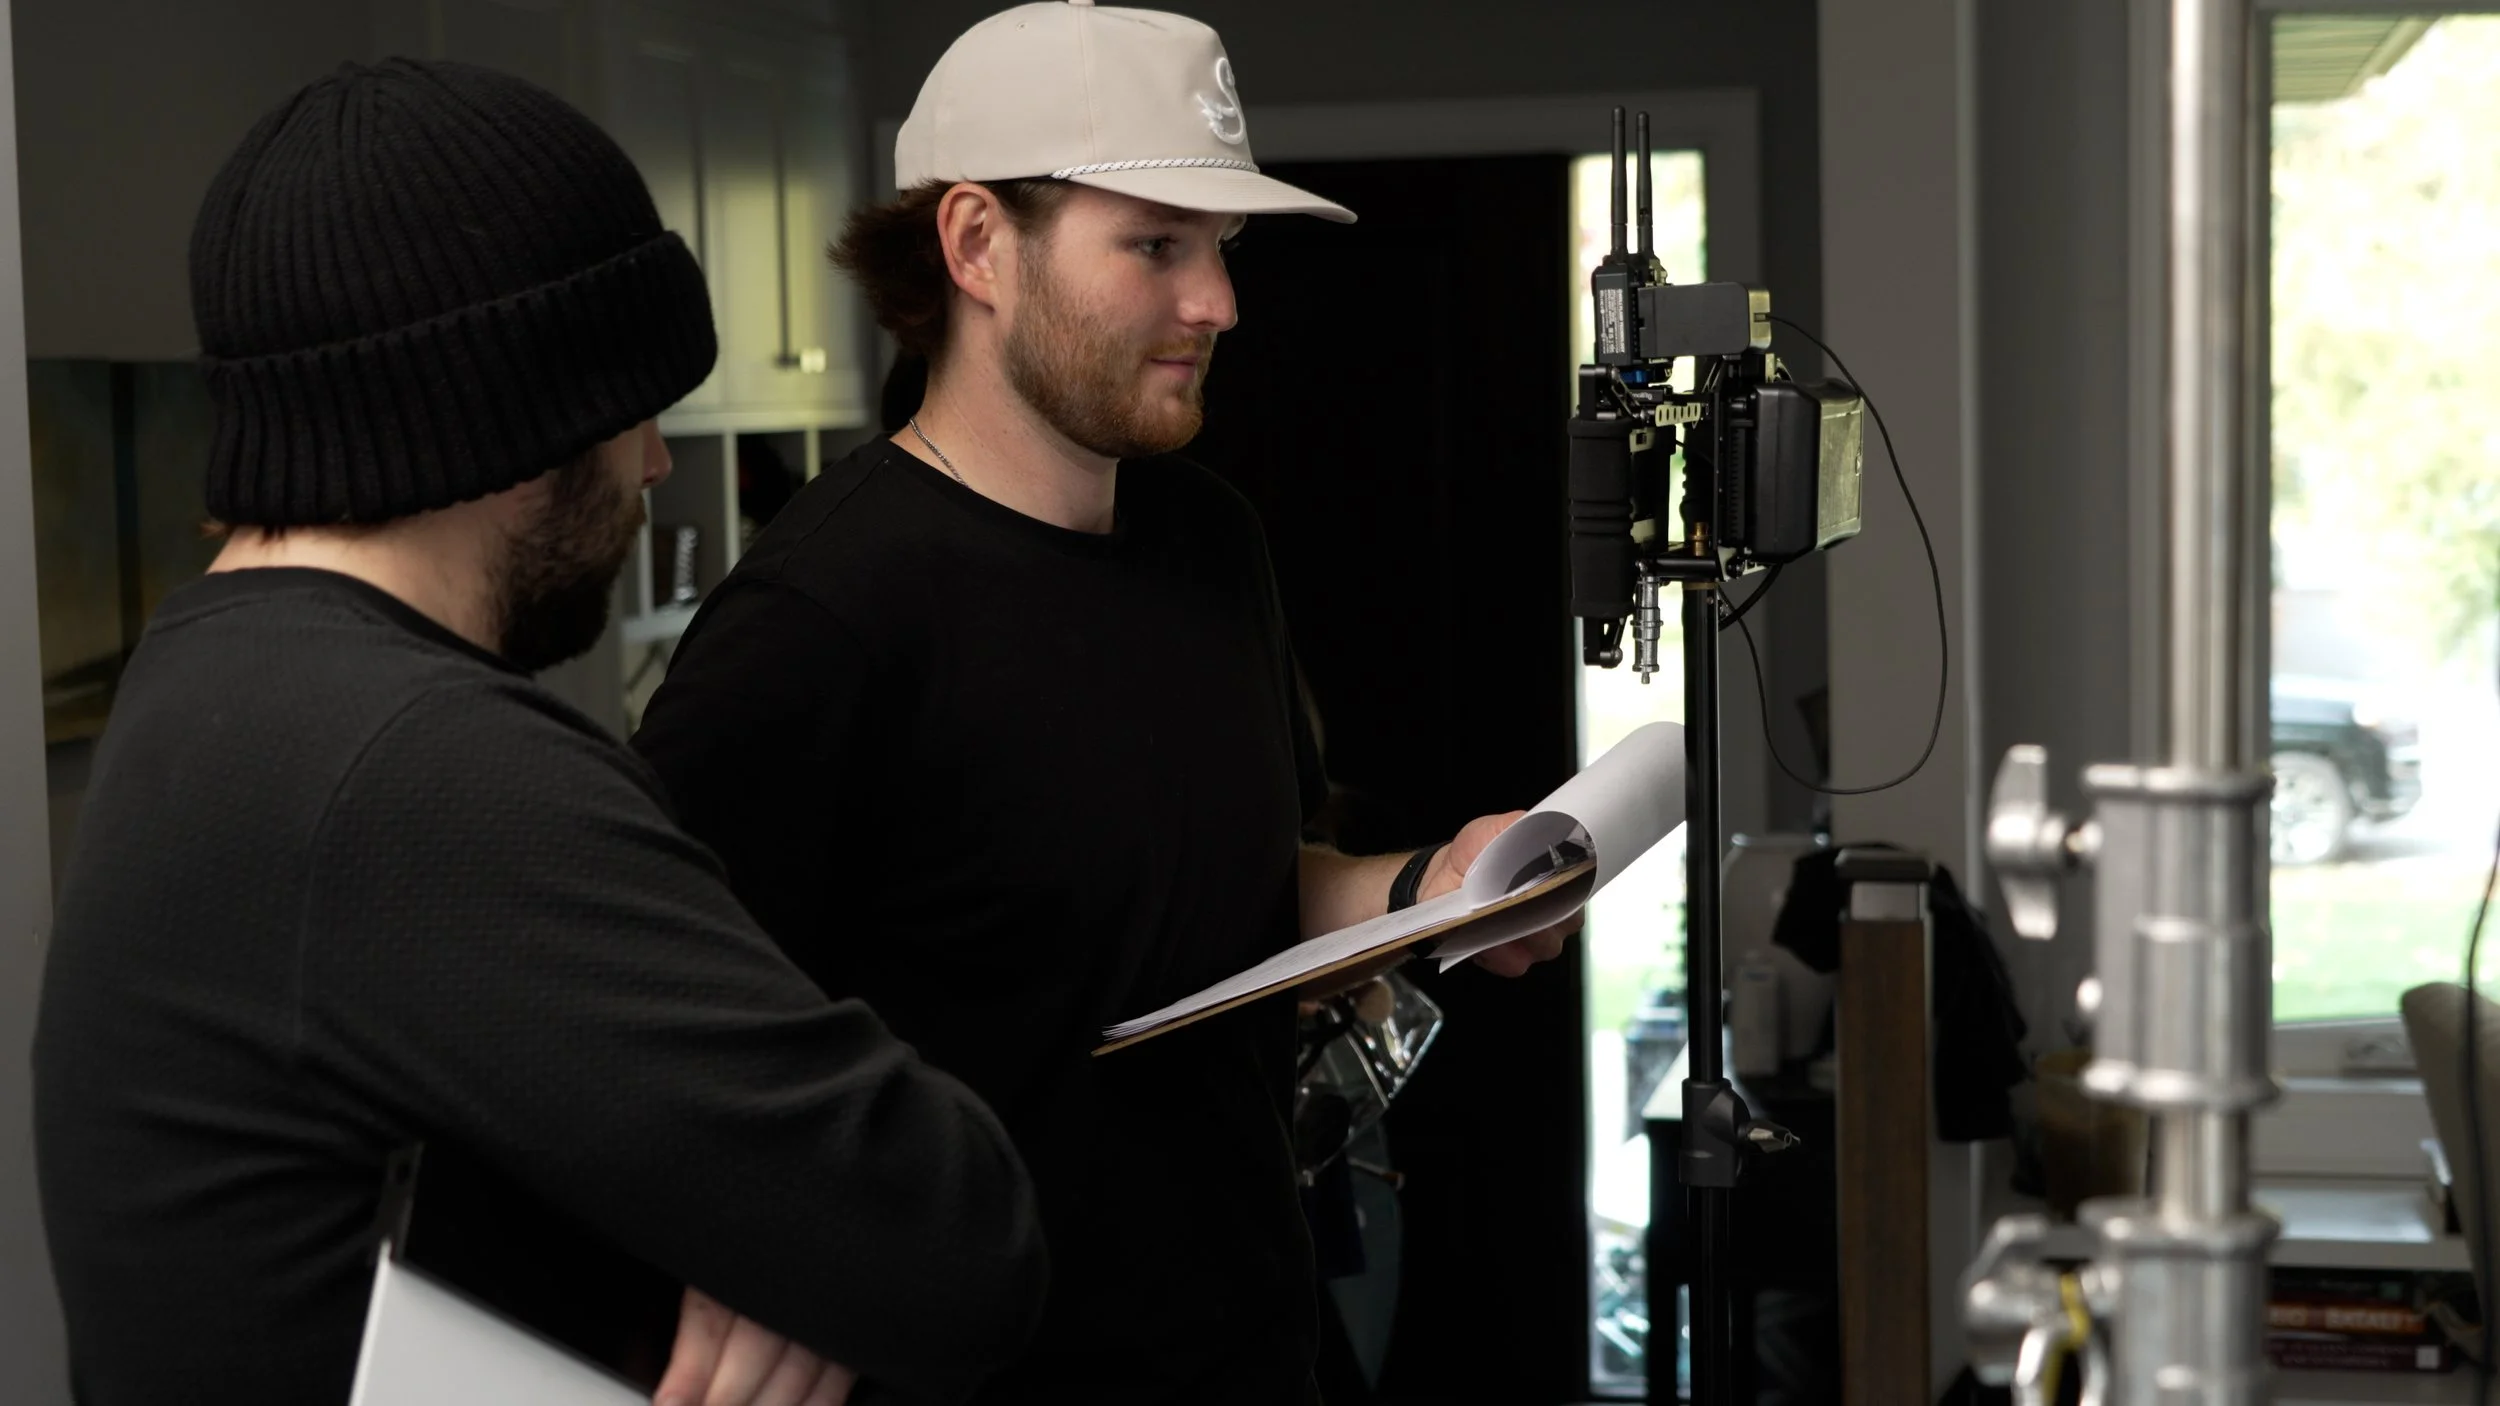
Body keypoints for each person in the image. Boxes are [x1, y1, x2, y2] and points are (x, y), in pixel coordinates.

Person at [32, 58, 1046, 1406]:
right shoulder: (419, 768)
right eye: (634, 409)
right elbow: (960, 1239)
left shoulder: (212, 683)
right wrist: (796, 1254)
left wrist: (758, 1248)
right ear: (514, 420)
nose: (655, 463)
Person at [631, 5, 1578, 1400]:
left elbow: (1216, 889)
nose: (1221, 304)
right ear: (975, 248)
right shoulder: (820, 619)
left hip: (1251, 1346)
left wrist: (1431, 887)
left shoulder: (1210, 542)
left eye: (1222, 251)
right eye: (1155, 246)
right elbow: (655, 1038)